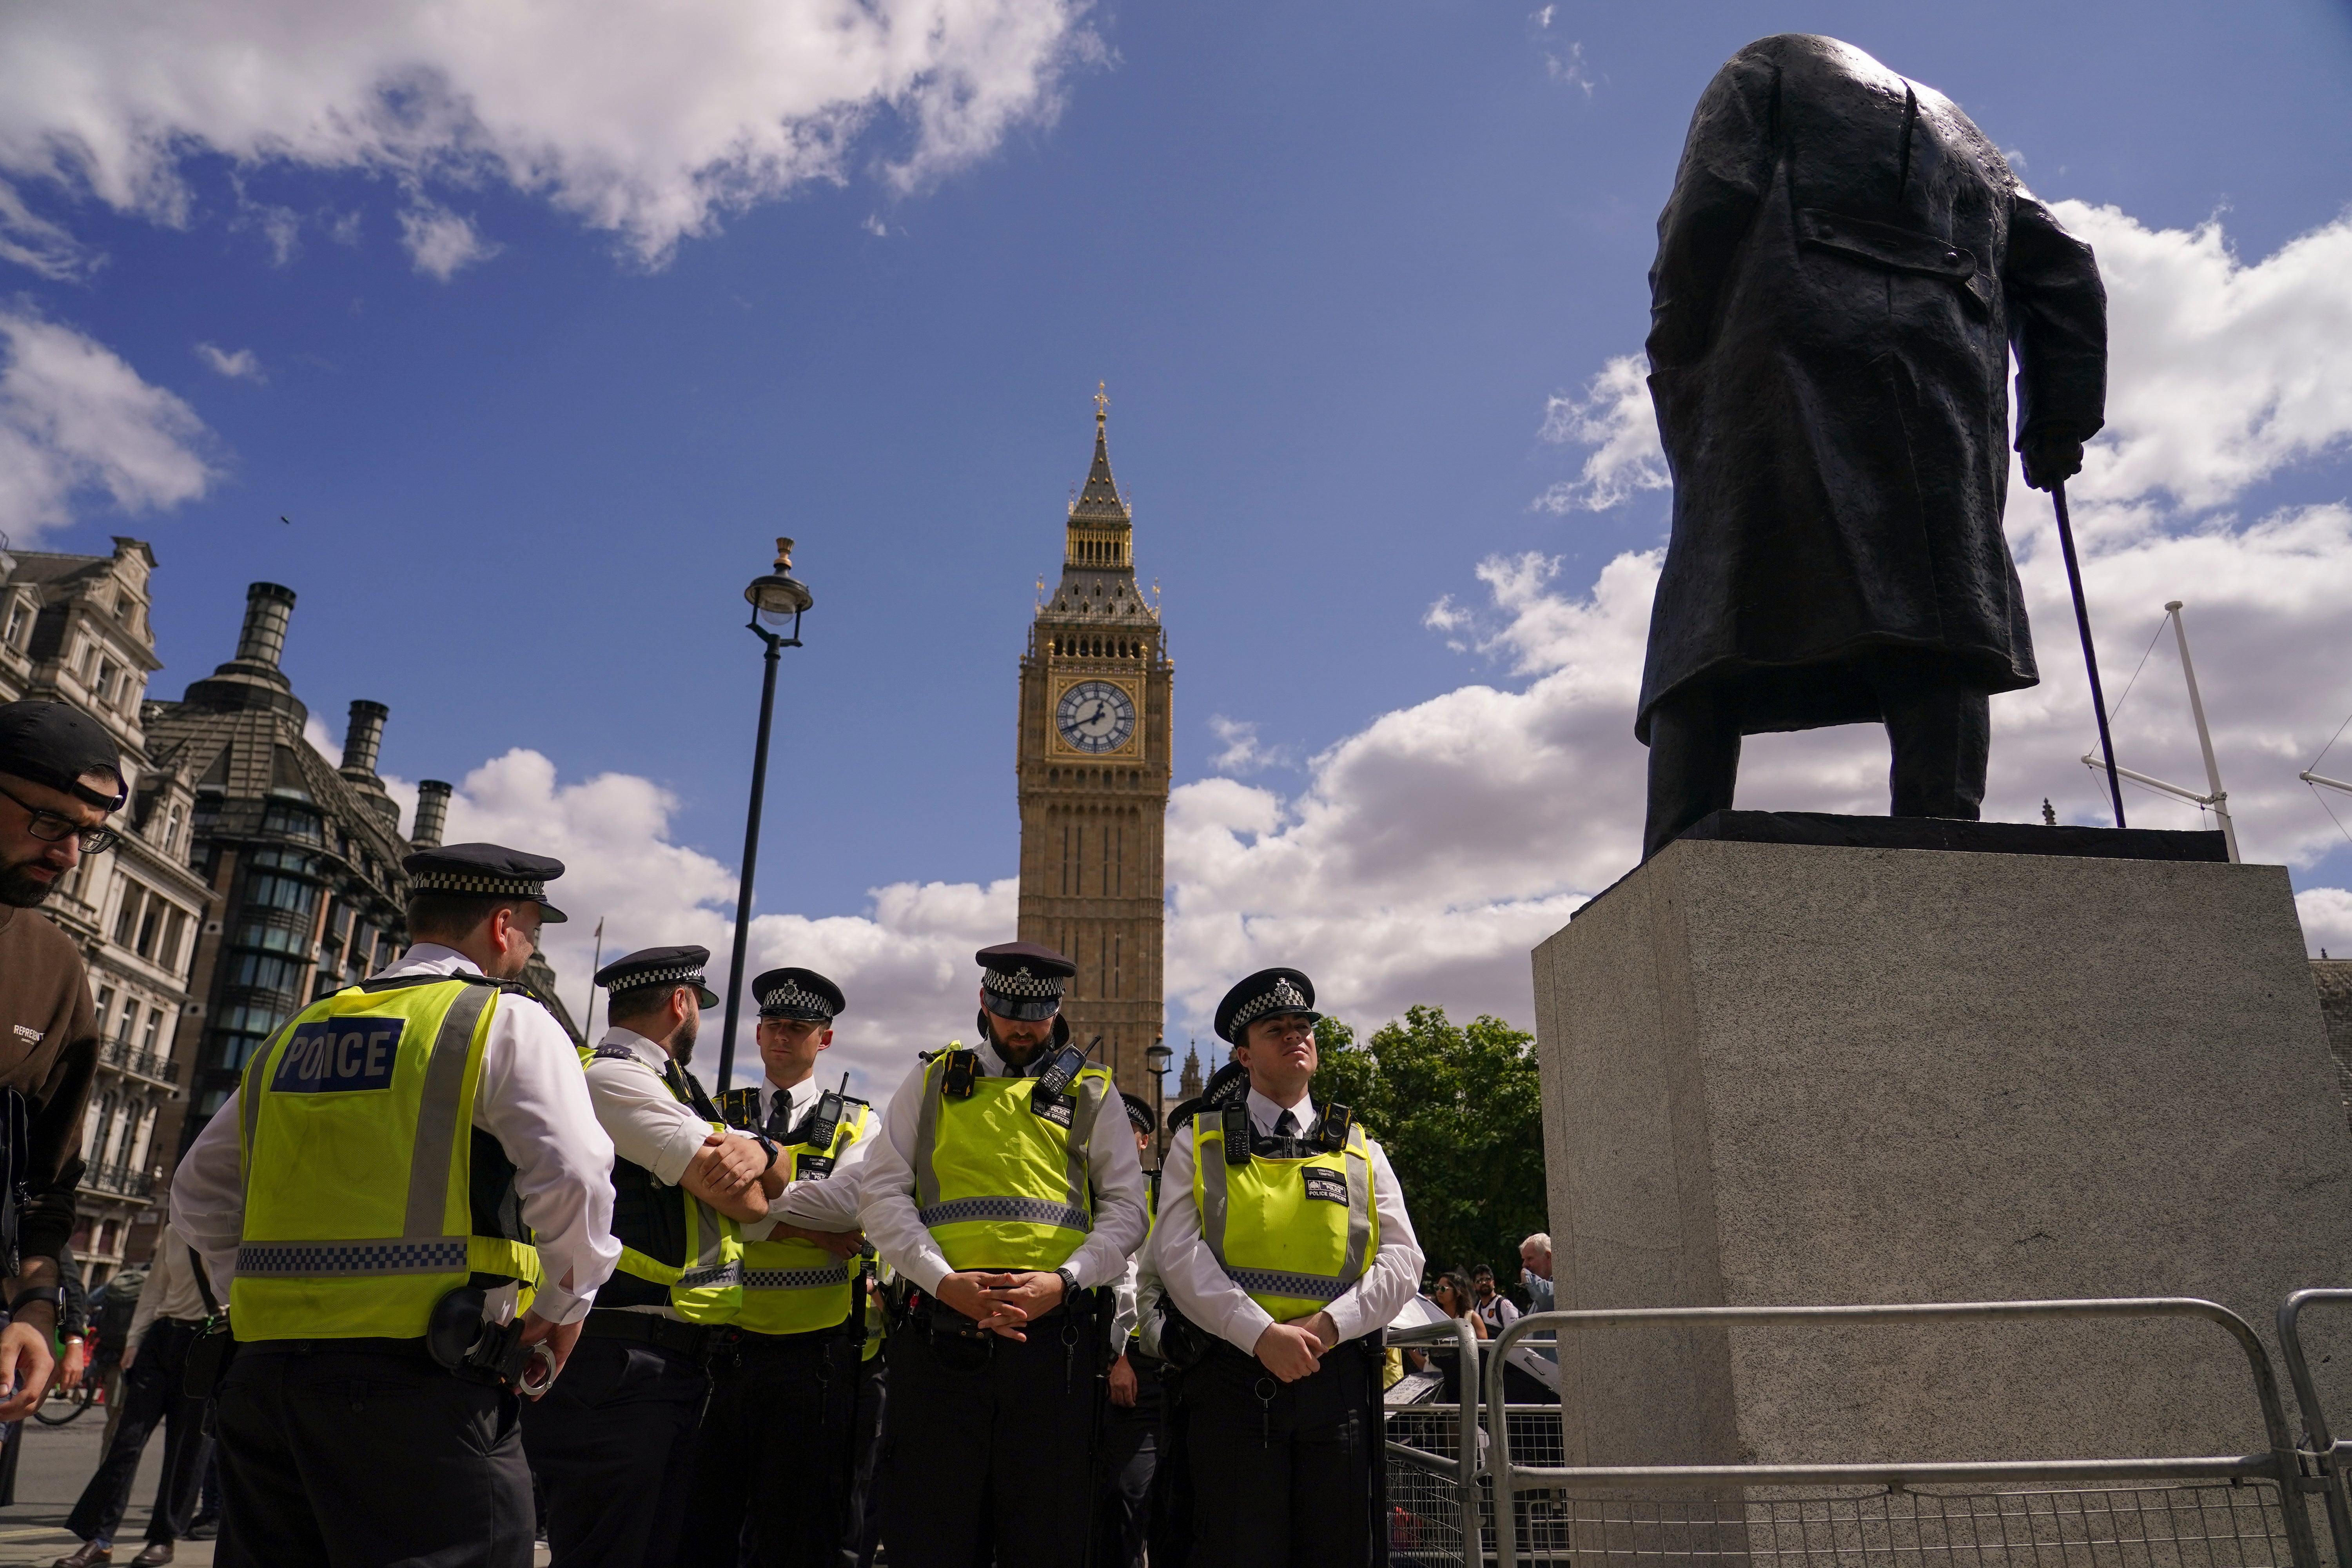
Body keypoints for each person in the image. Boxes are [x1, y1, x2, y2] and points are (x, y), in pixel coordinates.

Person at [1637, 34, 2107, 858]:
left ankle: (1679, 845)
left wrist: (1676, 346)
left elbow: (1707, 206)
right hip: (1944, 372)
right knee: (1941, 588)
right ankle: (1943, 824)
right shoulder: (1970, 142)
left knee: (1719, 590)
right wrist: (2057, 418)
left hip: (1782, 350)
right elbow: (2065, 266)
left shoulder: (1766, 67)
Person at [172, 843, 621, 1568]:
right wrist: (564, 1306)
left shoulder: (297, 1030)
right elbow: (575, 1175)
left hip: (265, 1380)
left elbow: (198, 1190)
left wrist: (255, 1296)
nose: (529, 949)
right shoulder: (500, 1018)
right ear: (503, 925)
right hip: (423, 1389)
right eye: (533, 931)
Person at [859, 942, 1150, 1568]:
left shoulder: (1093, 1091)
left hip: (1055, 1348)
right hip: (940, 1341)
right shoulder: (931, 1079)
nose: (1023, 1027)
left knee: (1048, 1539)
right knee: (930, 1538)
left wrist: (1063, 1283)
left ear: (1057, 1011)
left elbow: (1128, 1211)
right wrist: (944, 1283)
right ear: (984, 1003)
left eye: (1037, 1013)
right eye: (1010, 1010)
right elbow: (880, 1194)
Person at [1156, 968, 1425, 1568]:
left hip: (1336, 1380)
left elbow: (1404, 1259)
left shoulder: (1360, 1147)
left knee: (1339, 1550)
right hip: (1233, 1378)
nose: (1294, 1036)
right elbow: (1177, 1254)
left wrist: (1329, 1327)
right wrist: (1260, 1335)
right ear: (1244, 1055)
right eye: (1275, 1029)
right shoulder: (1199, 1142)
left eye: (1303, 1026)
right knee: (1236, 1549)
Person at [523, 944, 779, 1568]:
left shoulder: (674, 1088)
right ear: (681, 1003)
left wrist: (768, 1153)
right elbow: (748, 1202)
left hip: (659, 1361)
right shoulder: (614, 1079)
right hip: (617, 1361)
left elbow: (765, 1182)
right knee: (610, 1550)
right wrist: (763, 1162)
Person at [678, 966, 873, 1568]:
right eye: (772, 1025)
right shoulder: (715, 1111)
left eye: (798, 1027)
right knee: (704, 1529)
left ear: (825, 1039)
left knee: (799, 1533)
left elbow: (850, 1206)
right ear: (758, 1034)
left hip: (815, 1358)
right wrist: (801, 1228)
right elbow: (695, 1202)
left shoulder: (858, 1121)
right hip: (721, 1347)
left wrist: (745, 1202)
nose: (782, 1036)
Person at [0, 702, 120, 1428]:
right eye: (49, 822)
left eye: (88, 835)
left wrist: (36, 1309)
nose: (71, 855)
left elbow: (44, 1186)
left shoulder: (54, 968)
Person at [55, 1237, 215, 1566]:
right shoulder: (176, 1229)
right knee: (126, 1442)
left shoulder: (239, 1226)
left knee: (186, 1448)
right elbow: (154, 1291)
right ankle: (100, 1538)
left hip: (207, 1342)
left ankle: (164, 1538)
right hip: (161, 1337)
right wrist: (134, 1341)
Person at [1096, 1091, 1163, 1568]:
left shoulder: (1165, 1192)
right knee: (1122, 1493)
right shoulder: (1089, 1191)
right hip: (1124, 1360)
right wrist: (1116, 1357)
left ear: (1143, 1141)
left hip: (1167, 1360)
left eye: (1131, 1132)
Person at [1470, 1264, 1518, 1338]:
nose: (1484, 1283)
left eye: (1487, 1280)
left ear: (1493, 1282)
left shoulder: (1503, 1305)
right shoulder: (1477, 1308)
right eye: (1479, 1281)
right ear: (1474, 1286)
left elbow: (1516, 1336)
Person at [1519, 1233, 1554, 1314]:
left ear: (1548, 1256)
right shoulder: (1536, 1302)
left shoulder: (1563, 1283)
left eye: (1530, 1258)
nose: (1524, 1265)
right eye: (1524, 1260)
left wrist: (1528, 1277)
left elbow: (1545, 1298)